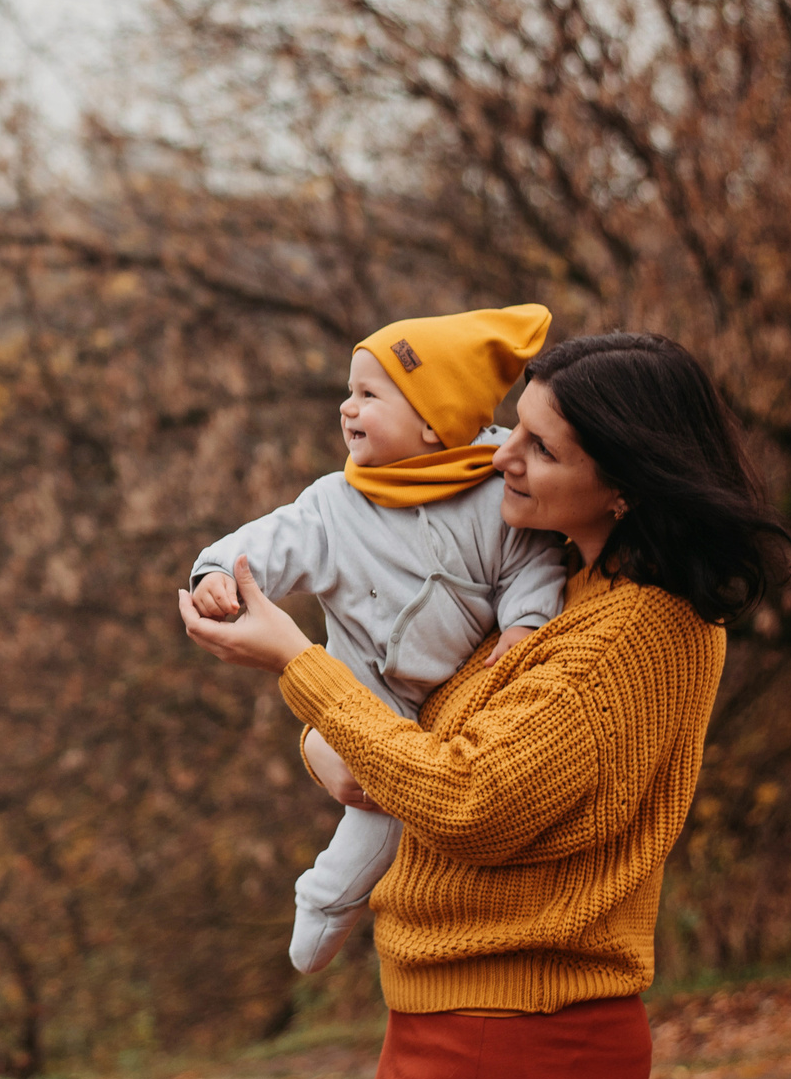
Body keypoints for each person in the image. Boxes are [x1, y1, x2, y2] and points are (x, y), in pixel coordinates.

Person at [179, 331, 791, 1079]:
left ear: (622, 485)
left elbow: (465, 797)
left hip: (514, 1045)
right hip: (451, 1021)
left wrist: (298, 666)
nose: (500, 452)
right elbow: (405, 738)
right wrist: (336, 745)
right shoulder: (559, 590)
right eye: (517, 426)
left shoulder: (622, 636)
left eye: (541, 450)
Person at [185, 305, 566, 973]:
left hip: (460, 697)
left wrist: (525, 622)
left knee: (417, 789)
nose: (346, 407)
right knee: (377, 807)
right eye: (348, 391)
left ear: (432, 419)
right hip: (370, 685)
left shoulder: (491, 492)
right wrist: (219, 573)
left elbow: (531, 564)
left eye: (368, 394)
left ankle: (333, 896)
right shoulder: (336, 504)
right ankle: (327, 901)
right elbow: (271, 540)